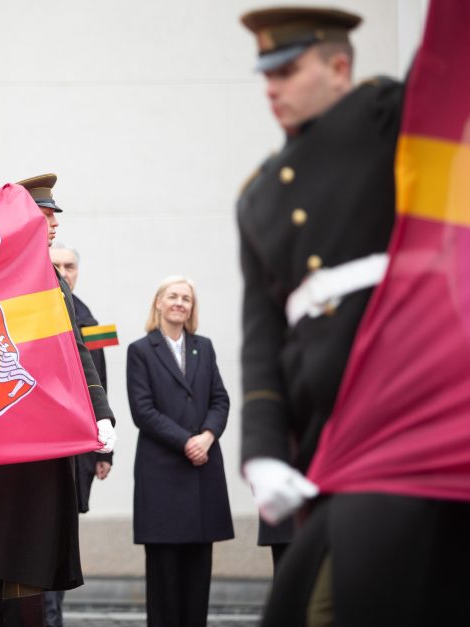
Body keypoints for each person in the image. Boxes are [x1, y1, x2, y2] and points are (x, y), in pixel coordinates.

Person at [237, 7, 470, 625]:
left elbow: (449, 63)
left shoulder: (389, 119)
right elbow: (262, 341)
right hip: (330, 442)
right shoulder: (257, 196)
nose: (272, 87)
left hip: (413, 416)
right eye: (265, 74)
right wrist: (261, 450)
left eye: (287, 70)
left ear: (340, 66)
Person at [0, 173, 116, 627]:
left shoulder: (49, 278)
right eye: (45, 216)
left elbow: (76, 351)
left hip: (43, 440)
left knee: (20, 573)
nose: (54, 223)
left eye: (54, 216)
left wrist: (100, 412)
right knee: (16, 570)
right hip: (9, 435)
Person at [126, 276, 233, 627]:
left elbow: (220, 399)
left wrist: (208, 435)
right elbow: (143, 411)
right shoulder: (141, 351)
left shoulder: (205, 346)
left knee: (198, 573)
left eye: (186, 298)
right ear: (158, 303)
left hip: (202, 472)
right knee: (164, 576)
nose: (179, 303)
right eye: (172, 296)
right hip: (162, 477)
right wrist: (186, 441)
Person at [44, 244, 113, 627]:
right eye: (57, 265)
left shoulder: (91, 321)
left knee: (64, 538)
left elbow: (99, 381)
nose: (64, 272)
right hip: (46, 447)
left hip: (80, 449)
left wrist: (106, 453)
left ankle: (54, 615)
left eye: (70, 266)